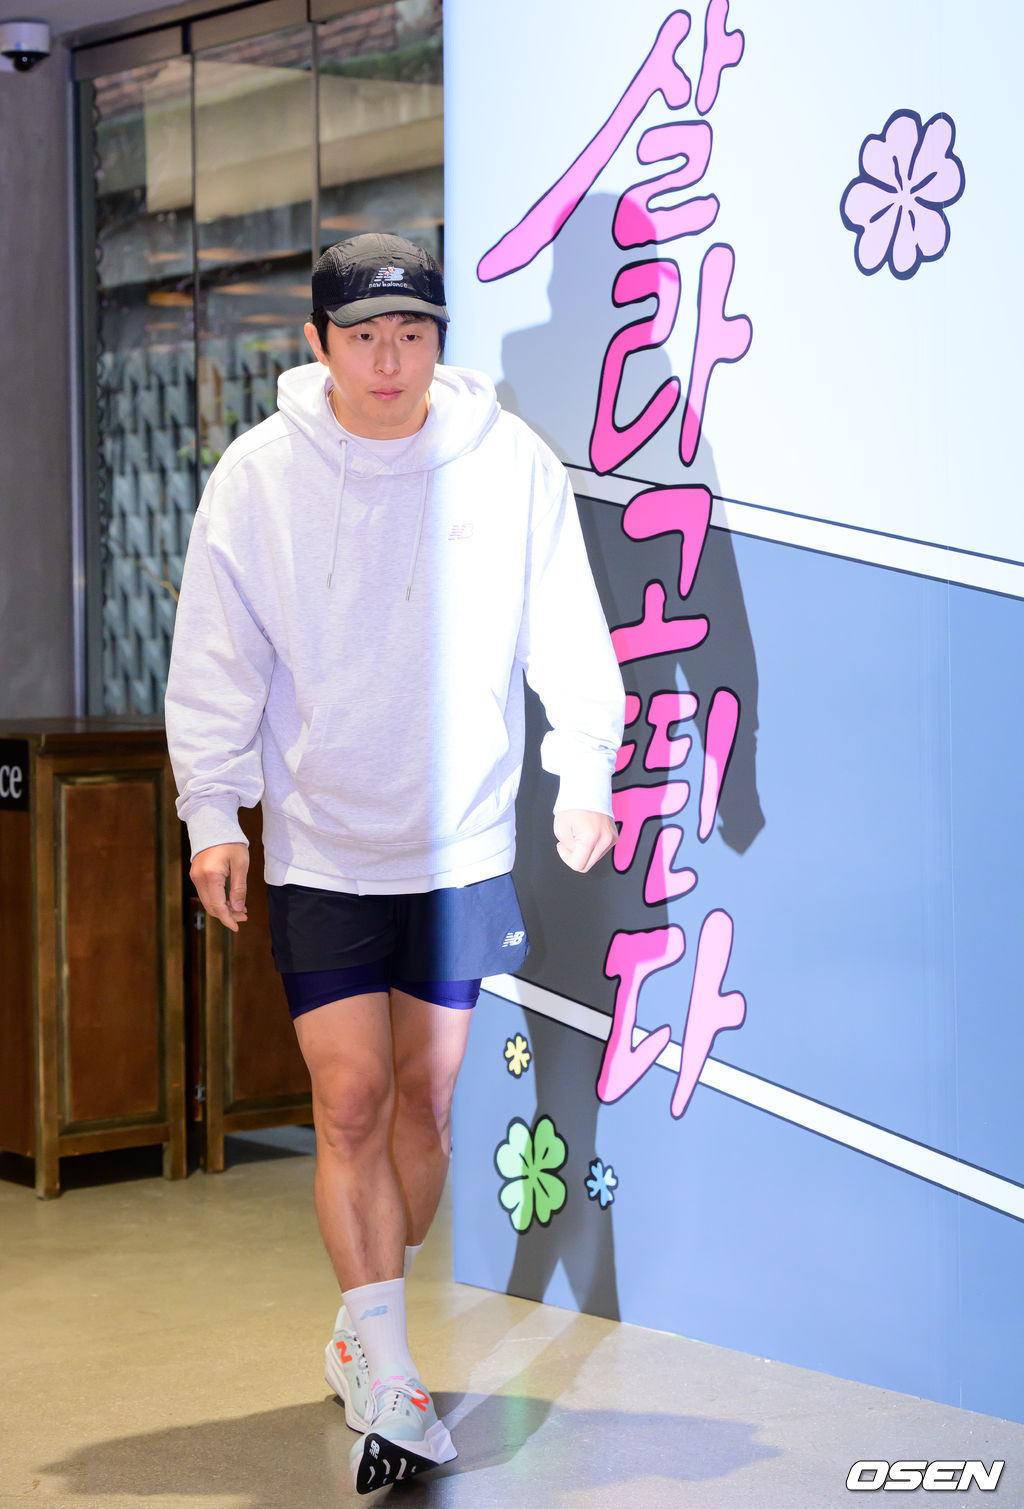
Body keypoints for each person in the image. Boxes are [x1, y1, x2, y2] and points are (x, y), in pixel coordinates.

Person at [164, 231, 624, 1492]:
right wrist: (215, 813)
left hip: (459, 843)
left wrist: (584, 771)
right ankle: (390, 1370)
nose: (388, 360)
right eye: (363, 336)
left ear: (437, 341)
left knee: (425, 1101)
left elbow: (564, 624)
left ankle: (361, 1326)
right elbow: (218, 656)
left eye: (411, 334)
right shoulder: (260, 476)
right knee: (353, 1100)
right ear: (317, 341)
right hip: (323, 844)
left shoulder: (506, 461)